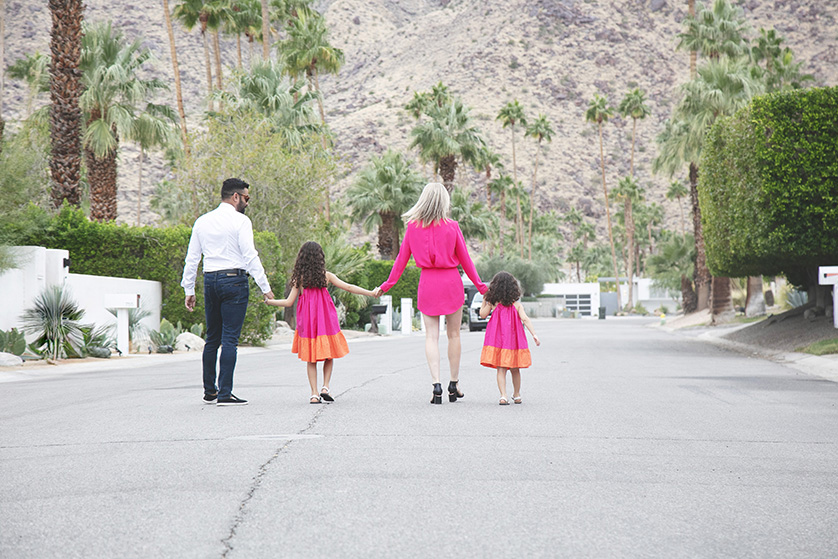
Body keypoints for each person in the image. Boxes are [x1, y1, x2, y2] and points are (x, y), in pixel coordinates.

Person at [372, 182, 487, 405]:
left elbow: (400, 261)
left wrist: (386, 286)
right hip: (450, 282)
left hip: (428, 283)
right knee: (454, 335)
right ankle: (454, 384)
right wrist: (481, 287)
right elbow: (467, 261)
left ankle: (436, 385)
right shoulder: (452, 226)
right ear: (443, 201)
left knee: (431, 336)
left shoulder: (413, 228)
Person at [182, 178, 275, 406]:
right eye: (246, 198)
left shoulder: (202, 221)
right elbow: (250, 255)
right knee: (230, 339)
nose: (247, 202)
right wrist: (266, 288)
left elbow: (192, 258)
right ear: (235, 197)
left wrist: (189, 289)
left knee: (211, 338)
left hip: (210, 280)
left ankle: (209, 391)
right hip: (234, 281)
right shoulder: (241, 221)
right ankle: (224, 393)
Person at [265, 241, 375, 404]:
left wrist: (269, 302)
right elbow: (349, 287)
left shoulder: (299, 280)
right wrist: (371, 293)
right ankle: (325, 386)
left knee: (311, 358)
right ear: (320, 258)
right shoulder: (326, 276)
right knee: (329, 354)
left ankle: (314, 394)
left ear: (301, 259)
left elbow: (288, 302)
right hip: (326, 320)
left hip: (308, 322)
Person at [479, 271, 540, 405]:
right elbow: (525, 319)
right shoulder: (517, 305)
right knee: (515, 369)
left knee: (501, 369)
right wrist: (534, 334)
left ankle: (503, 396)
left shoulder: (493, 304)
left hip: (498, 341)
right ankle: (517, 395)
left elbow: (482, 315)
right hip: (513, 342)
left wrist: (485, 298)